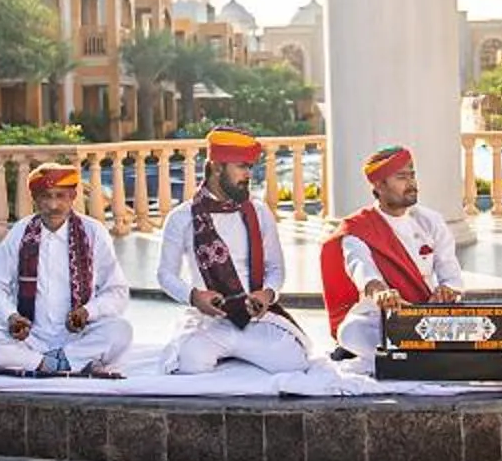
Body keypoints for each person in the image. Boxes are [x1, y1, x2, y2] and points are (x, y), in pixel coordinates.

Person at [157, 128, 310, 374]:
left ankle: (239, 354)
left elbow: (275, 268)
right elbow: (165, 275)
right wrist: (194, 296)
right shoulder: (182, 217)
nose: (248, 175)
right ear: (217, 167)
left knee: (294, 362)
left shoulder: (259, 213)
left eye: (250, 167)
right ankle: (233, 355)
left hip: (254, 317)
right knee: (190, 363)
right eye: (241, 167)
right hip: (208, 321)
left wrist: (267, 295)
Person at [0, 162, 132, 376]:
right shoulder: (21, 232)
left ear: (73, 196)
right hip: (30, 338)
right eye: (46, 196)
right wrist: (11, 317)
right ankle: (60, 363)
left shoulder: (93, 232)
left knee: (120, 331)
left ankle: (47, 363)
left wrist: (88, 312)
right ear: (35, 199)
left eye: (60, 196)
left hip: (79, 335)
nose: (54, 205)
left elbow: (116, 291)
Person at [320, 144, 465, 357]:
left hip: (429, 311)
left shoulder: (430, 220)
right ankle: (416, 355)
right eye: (402, 177)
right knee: (352, 332)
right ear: (379, 185)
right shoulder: (358, 229)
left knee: (477, 325)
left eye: (412, 176)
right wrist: (381, 293)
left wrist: (447, 291)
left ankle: (402, 356)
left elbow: (451, 275)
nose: (412, 183)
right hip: (383, 315)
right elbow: (361, 268)